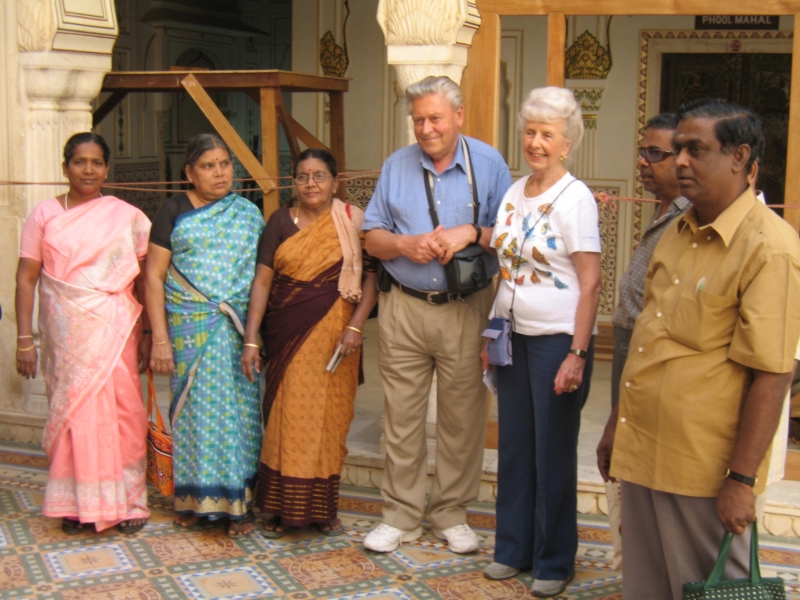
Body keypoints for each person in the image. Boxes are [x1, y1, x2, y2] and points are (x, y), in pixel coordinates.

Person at [596, 99, 800, 600]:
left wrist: (740, 480)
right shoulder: (676, 231)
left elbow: (772, 375)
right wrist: (615, 425)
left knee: (708, 588)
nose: (680, 160)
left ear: (739, 157)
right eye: (678, 149)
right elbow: (649, 340)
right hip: (643, 449)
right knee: (647, 586)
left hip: (702, 471)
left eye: (695, 150)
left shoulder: (768, 248)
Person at [362, 76, 512, 555]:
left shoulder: (488, 165)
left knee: (462, 417)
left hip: (466, 308)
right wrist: (406, 244)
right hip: (404, 304)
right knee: (401, 416)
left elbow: (511, 239)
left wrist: (470, 231)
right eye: (419, 120)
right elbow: (371, 236)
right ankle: (400, 514)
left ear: (459, 115)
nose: (426, 129)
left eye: (435, 119)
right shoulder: (396, 165)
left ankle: (451, 512)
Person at [480, 87, 602, 597]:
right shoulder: (513, 190)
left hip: (557, 341)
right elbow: (504, 257)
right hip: (511, 334)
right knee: (514, 448)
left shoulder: (576, 198)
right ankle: (512, 548)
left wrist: (577, 351)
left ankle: (553, 560)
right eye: (530, 131)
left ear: (567, 142)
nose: (536, 142)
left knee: (551, 451)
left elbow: (591, 282)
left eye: (547, 134)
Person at [15, 132, 151, 534]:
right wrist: (25, 340)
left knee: (123, 411)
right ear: (65, 167)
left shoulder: (127, 215)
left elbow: (144, 278)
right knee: (76, 413)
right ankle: (76, 504)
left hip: (115, 327)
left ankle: (128, 503)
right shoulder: (44, 215)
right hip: (67, 336)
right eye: (79, 161)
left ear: (107, 169)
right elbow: (26, 279)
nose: (88, 169)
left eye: (96, 162)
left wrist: (146, 332)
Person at [240, 148, 378, 537]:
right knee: (287, 417)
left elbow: (370, 279)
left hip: (338, 336)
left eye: (319, 176)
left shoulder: (353, 221)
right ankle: (281, 510)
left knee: (329, 422)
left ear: (335, 182)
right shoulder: (280, 221)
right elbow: (263, 282)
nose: (311, 183)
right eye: (303, 176)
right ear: (294, 182)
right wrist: (251, 339)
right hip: (287, 333)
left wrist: (355, 326)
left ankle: (321, 510)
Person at [145, 133, 264, 538]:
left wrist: (256, 334)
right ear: (189, 172)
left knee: (237, 414)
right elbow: (154, 275)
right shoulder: (174, 210)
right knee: (193, 414)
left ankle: (238, 504)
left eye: (225, 164)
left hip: (236, 332)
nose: (220, 172)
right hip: (188, 330)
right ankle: (192, 499)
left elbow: (262, 280)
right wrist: (159, 338)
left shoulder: (247, 214)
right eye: (209, 166)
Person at [611, 113, 690, 407]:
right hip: (628, 340)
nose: (643, 162)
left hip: (649, 347)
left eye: (655, 153)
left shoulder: (690, 218)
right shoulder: (666, 209)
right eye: (642, 152)